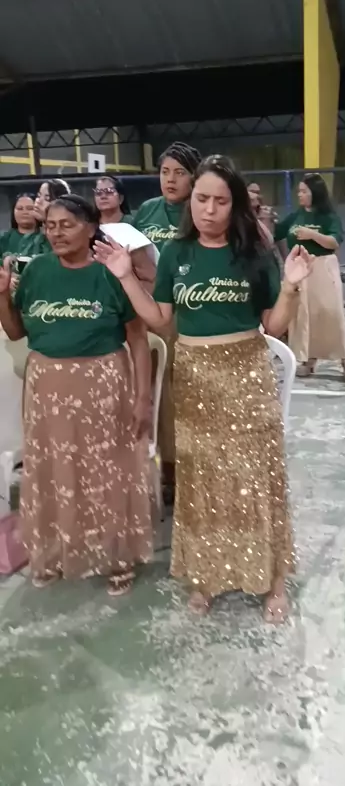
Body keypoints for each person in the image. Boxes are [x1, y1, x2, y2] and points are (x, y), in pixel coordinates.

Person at [94, 155, 314, 622]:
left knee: (256, 478)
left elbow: (273, 324)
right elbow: (159, 319)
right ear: (191, 201)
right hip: (194, 377)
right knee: (202, 481)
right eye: (201, 199)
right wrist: (125, 275)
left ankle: (273, 580)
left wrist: (292, 287)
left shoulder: (254, 253)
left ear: (235, 206)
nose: (209, 210)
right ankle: (207, 575)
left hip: (246, 373)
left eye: (220, 201)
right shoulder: (176, 253)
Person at [0, 194, 153, 595]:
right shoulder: (37, 271)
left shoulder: (111, 272)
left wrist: (143, 398)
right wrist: (1, 297)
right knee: (54, 471)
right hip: (47, 387)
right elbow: (16, 332)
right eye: (50, 226)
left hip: (102, 383)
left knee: (107, 471)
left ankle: (116, 556)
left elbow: (138, 340)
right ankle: (54, 551)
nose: (56, 233)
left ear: (90, 229)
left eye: (67, 225)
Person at [133, 141, 202, 499]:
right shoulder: (147, 210)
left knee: (179, 395)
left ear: (194, 177)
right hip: (147, 310)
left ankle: (181, 471)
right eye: (164, 172)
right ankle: (155, 468)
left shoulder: (200, 212)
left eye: (179, 173)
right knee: (150, 392)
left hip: (184, 314)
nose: (170, 180)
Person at [275, 173, 345, 382]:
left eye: (304, 191)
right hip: (300, 269)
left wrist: (312, 235)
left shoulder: (328, 217)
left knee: (331, 313)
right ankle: (309, 360)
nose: (299, 195)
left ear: (315, 193)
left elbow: (334, 242)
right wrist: (264, 220)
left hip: (322, 267)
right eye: (299, 191)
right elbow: (276, 232)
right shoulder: (296, 216)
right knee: (303, 315)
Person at [94, 175, 156, 289]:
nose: (103, 196)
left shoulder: (133, 224)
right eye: (98, 193)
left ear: (121, 198)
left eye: (109, 191)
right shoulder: (90, 227)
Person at [0, 194, 47, 263]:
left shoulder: (46, 238)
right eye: (20, 208)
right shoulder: (3, 238)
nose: (25, 212)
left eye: (30, 208)